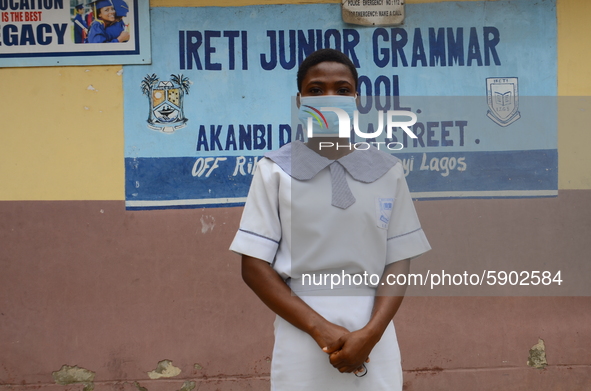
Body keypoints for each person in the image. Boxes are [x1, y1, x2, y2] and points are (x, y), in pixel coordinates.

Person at [230, 48, 431, 390]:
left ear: (357, 99)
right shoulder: (274, 171)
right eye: (315, 90)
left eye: (341, 89)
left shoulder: (387, 171)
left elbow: (398, 262)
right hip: (301, 330)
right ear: (299, 101)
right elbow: (254, 266)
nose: (329, 97)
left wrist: (372, 333)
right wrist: (318, 327)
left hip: (372, 330)